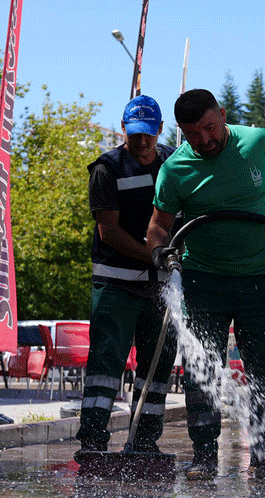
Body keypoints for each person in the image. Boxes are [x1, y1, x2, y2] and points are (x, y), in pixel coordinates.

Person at [146, 89, 265, 482]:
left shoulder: (257, 142)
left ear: (222, 115)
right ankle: (205, 456)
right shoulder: (175, 170)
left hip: (262, 277)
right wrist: (161, 252)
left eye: (209, 128)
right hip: (205, 280)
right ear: (181, 133)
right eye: (192, 135)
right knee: (201, 369)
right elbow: (157, 227)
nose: (204, 140)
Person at [74, 95, 179, 456]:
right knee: (106, 363)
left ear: (161, 130)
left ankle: (145, 442)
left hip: (160, 286)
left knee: (157, 366)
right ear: (123, 129)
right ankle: (92, 441)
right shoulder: (107, 169)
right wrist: (153, 256)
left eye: (149, 134)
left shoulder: (173, 162)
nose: (143, 141)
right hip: (116, 283)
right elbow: (109, 232)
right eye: (135, 134)